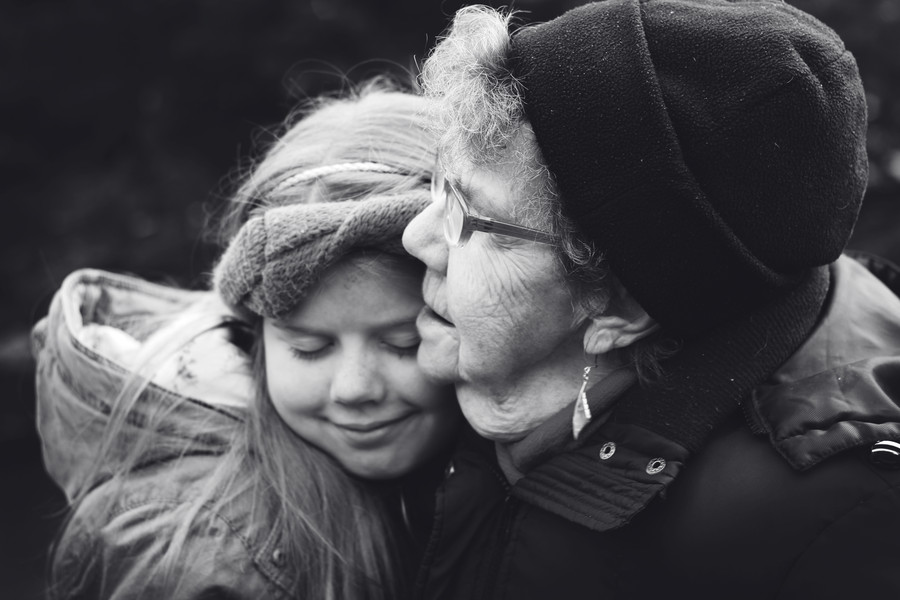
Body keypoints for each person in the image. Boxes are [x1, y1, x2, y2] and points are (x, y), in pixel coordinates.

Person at [403, 2, 900, 598]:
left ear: (617, 310)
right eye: (439, 179)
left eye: (468, 216)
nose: (416, 237)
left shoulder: (835, 530)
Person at [33, 82, 461, 599]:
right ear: (252, 337)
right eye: (308, 347)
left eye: (400, 343)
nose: (354, 388)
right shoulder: (206, 559)